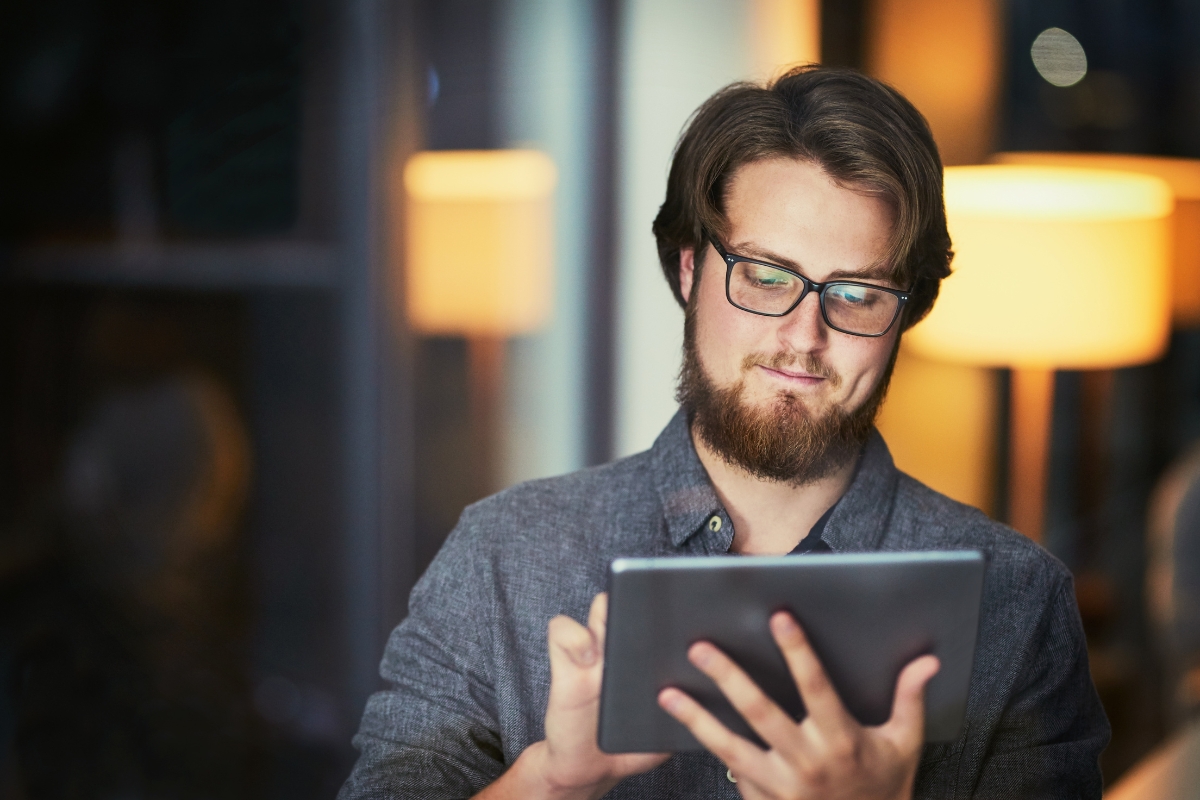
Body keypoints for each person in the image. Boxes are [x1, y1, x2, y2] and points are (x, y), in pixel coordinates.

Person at [339, 65, 1110, 799]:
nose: (804, 336)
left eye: (857, 293)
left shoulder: (1015, 600)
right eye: (766, 277)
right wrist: (555, 782)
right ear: (688, 271)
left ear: (906, 312)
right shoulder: (504, 557)